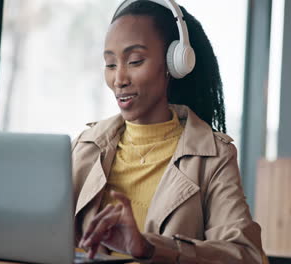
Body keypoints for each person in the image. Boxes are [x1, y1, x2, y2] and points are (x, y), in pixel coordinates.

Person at [71, 0, 264, 263]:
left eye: (135, 61)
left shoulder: (213, 156)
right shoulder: (86, 145)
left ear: (175, 63)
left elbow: (247, 256)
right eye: (111, 64)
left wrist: (150, 247)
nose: (119, 79)